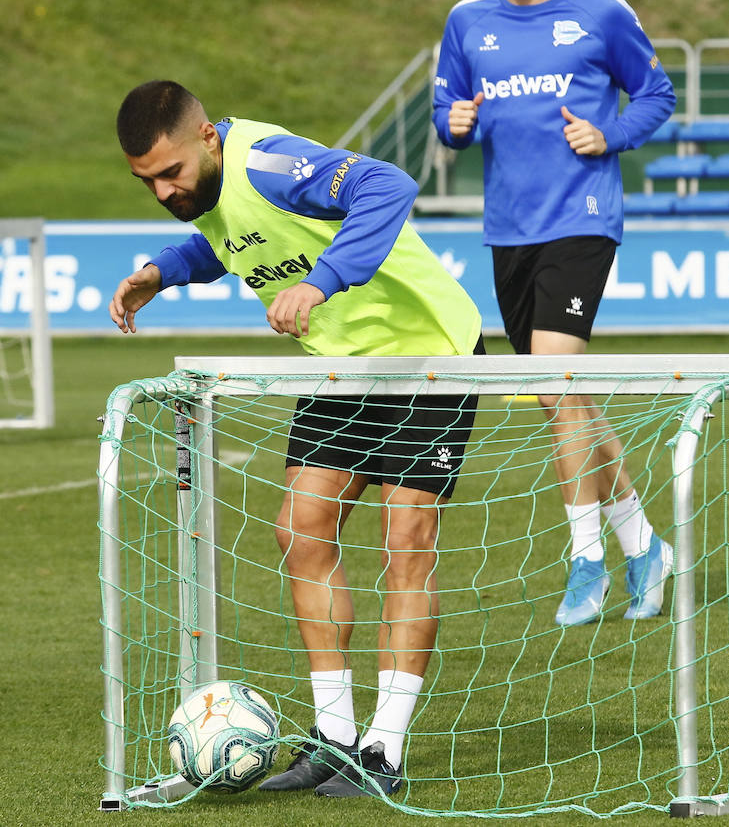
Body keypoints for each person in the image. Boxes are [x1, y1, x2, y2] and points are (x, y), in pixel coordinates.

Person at [110, 80, 484, 799]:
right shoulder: (209, 187)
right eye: (147, 180)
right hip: (344, 369)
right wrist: (161, 271)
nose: (162, 190)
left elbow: (387, 184)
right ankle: (336, 741)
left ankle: (385, 749)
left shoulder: (268, 163)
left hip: (428, 356)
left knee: (406, 540)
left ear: (208, 139)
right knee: (299, 530)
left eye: (171, 174)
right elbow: (225, 243)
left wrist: (322, 282)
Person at [431, 0, 677, 626]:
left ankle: (586, 560)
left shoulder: (601, 12)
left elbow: (657, 95)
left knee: (553, 380)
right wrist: (454, 124)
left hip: (583, 218)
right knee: (559, 396)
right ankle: (644, 544)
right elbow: (446, 103)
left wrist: (610, 135)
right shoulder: (466, 21)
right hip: (509, 230)